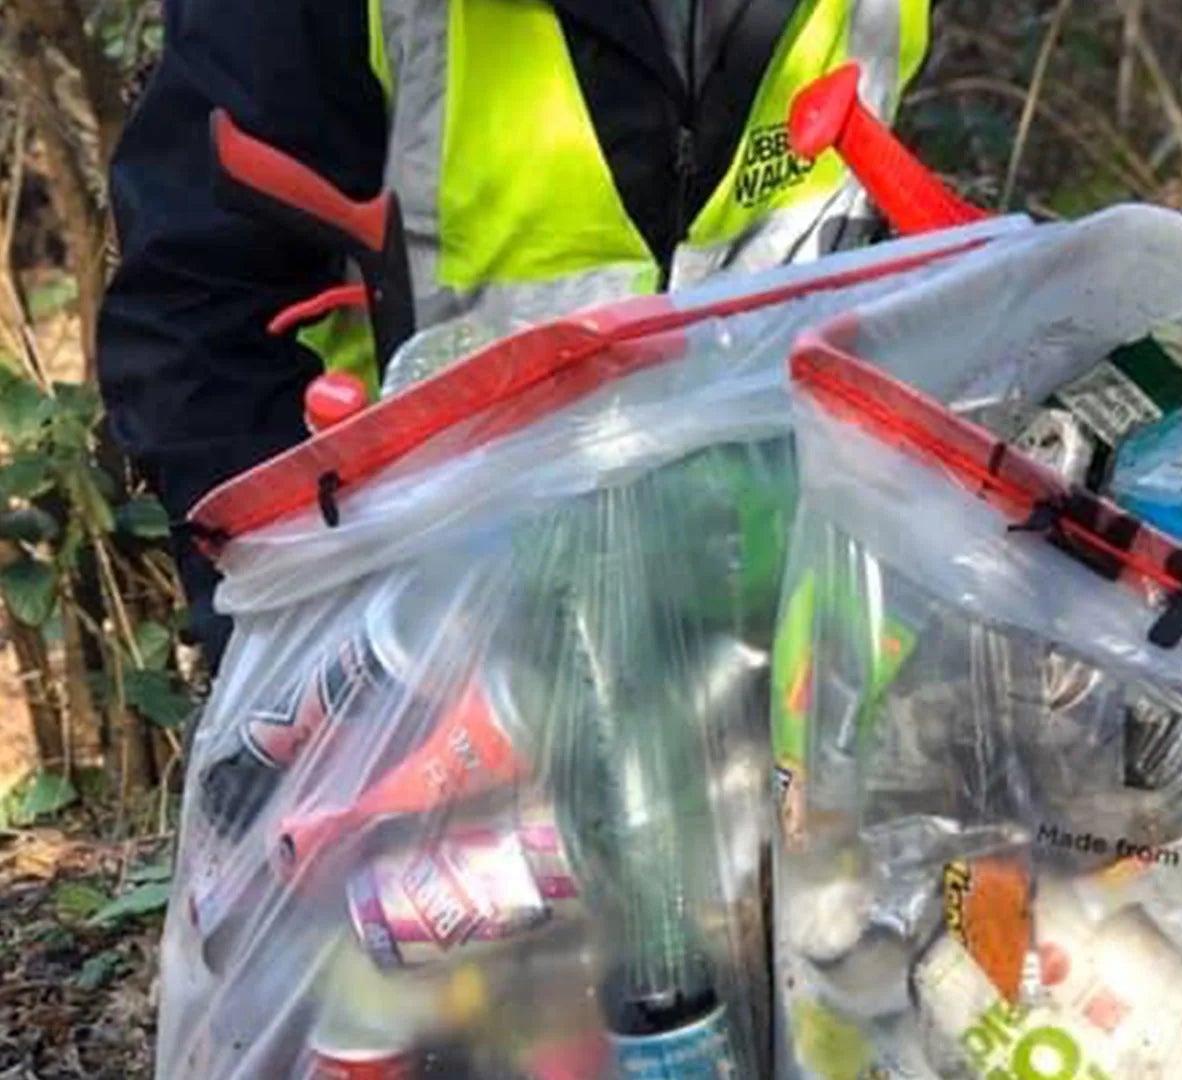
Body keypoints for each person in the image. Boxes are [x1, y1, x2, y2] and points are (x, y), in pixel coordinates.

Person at [98, 0, 931, 667]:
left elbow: (886, 265)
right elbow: (195, 317)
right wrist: (309, 659)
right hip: (435, 655)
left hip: (784, 650)